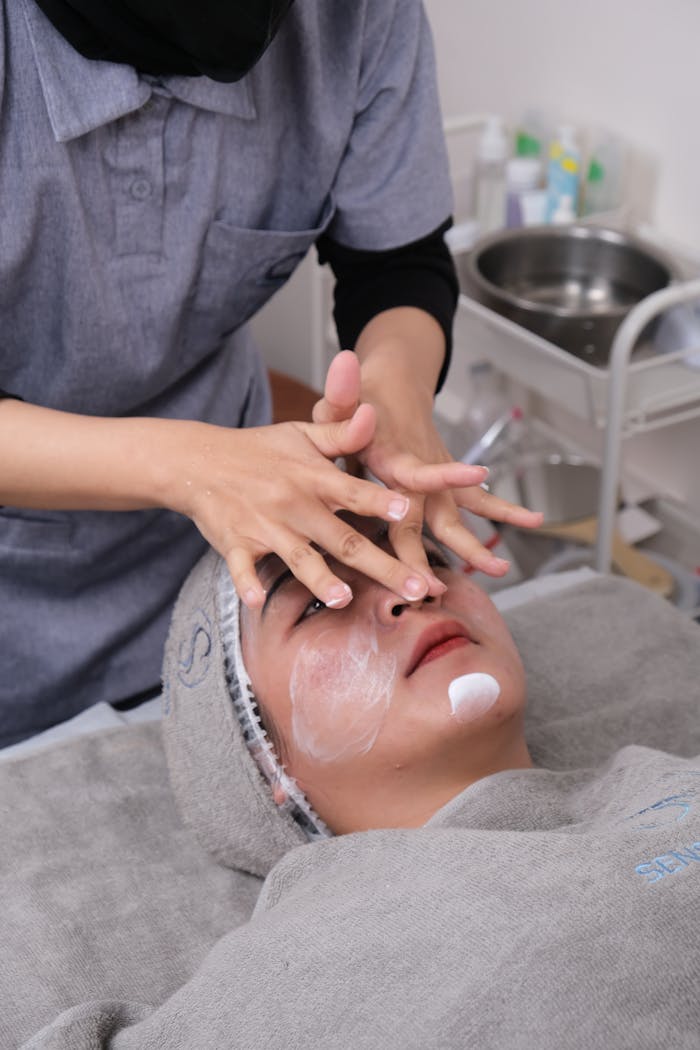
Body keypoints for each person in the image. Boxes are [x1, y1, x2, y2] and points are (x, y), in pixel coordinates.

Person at [0, 0, 539, 747]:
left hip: (230, 565)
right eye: (314, 606)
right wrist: (187, 468)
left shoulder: (356, 16)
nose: (407, 599)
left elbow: (397, 265)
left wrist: (396, 396)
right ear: (273, 789)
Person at [20, 519, 700, 1047]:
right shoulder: (289, 971)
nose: (413, 587)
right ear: (261, 762)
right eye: (318, 601)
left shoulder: (659, 783)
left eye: (425, 556)